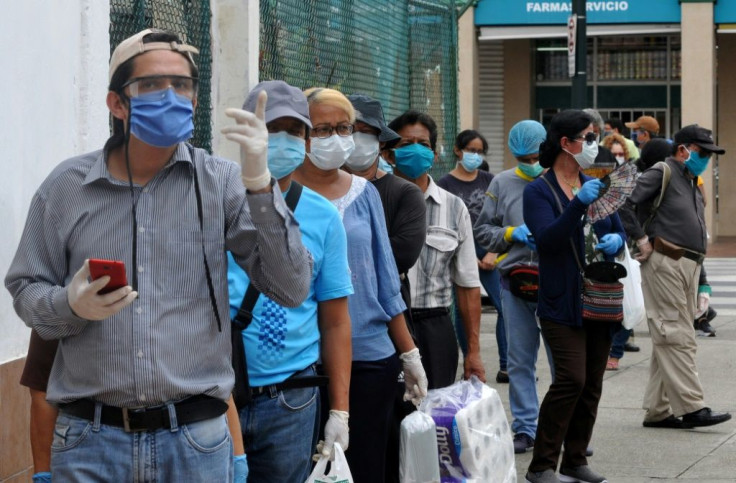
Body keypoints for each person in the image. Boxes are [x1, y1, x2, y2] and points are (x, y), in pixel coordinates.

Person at [5, 29, 312, 481]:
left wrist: (260, 185)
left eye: (182, 84)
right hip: (91, 441)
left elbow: (291, 287)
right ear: (117, 103)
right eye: (151, 85)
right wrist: (68, 306)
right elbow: (26, 289)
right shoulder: (65, 187)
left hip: (194, 440)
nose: (171, 95)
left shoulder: (222, 182)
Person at [293, 88, 427, 483]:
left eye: (343, 128)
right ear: (301, 133)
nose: (335, 138)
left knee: (365, 467)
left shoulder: (363, 192)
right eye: (322, 129)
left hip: (369, 357)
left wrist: (409, 354)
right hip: (302, 359)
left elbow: (385, 280)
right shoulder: (276, 194)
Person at [225, 80, 353, 482]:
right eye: (271, 127)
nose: (283, 139)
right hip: (216, 396)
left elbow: (334, 319)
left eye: (295, 130)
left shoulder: (323, 216)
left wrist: (339, 411)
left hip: (290, 399)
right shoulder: (215, 200)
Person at [522, 110, 626, 483]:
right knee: (571, 379)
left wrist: (618, 240)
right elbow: (548, 240)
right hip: (561, 300)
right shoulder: (539, 190)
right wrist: (577, 203)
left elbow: (616, 228)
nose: (593, 144)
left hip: (600, 298)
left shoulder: (596, 183)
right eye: (587, 136)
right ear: (566, 143)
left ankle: (575, 459)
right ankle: (542, 465)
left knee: (592, 382)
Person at [618, 124, 731, 430]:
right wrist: (641, 239)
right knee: (677, 335)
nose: (707, 158)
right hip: (665, 261)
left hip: (688, 265)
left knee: (669, 337)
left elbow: (694, 235)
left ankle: (659, 410)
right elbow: (624, 204)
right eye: (703, 152)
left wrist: (703, 280)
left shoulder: (690, 180)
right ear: (683, 150)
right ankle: (693, 407)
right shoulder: (662, 171)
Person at [344, 94, 428, 483]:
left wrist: (408, 352)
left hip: (376, 335)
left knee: (376, 447)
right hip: (315, 345)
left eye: (365, 133)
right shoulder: (301, 191)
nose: (354, 140)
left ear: (381, 142)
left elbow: (391, 265)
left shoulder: (395, 194)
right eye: (347, 130)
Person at [386, 110, 487, 388]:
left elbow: (467, 284)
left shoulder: (453, 207)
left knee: (434, 418)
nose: (416, 150)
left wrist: (473, 352)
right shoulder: (373, 201)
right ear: (389, 154)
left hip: (435, 327)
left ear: (435, 153)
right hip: (384, 327)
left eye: (424, 144)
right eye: (406, 144)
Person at [474, 119, 555, 455]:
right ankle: (526, 428)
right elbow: (482, 231)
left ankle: (563, 429)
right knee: (520, 361)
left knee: (563, 363)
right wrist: (509, 234)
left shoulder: (562, 181)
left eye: (535, 156)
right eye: (523, 159)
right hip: (515, 281)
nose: (530, 164)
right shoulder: (502, 183)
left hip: (556, 283)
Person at [437, 130, 508, 383]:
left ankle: (506, 365)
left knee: (504, 305)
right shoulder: (444, 184)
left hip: (489, 250)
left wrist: (493, 251)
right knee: (463, 308)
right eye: (471, 150)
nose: (475, 156)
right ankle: (470, 358)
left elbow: (501, 217)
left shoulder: (490, 180)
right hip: (458, 251)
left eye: (480, 152)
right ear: (458, 150)